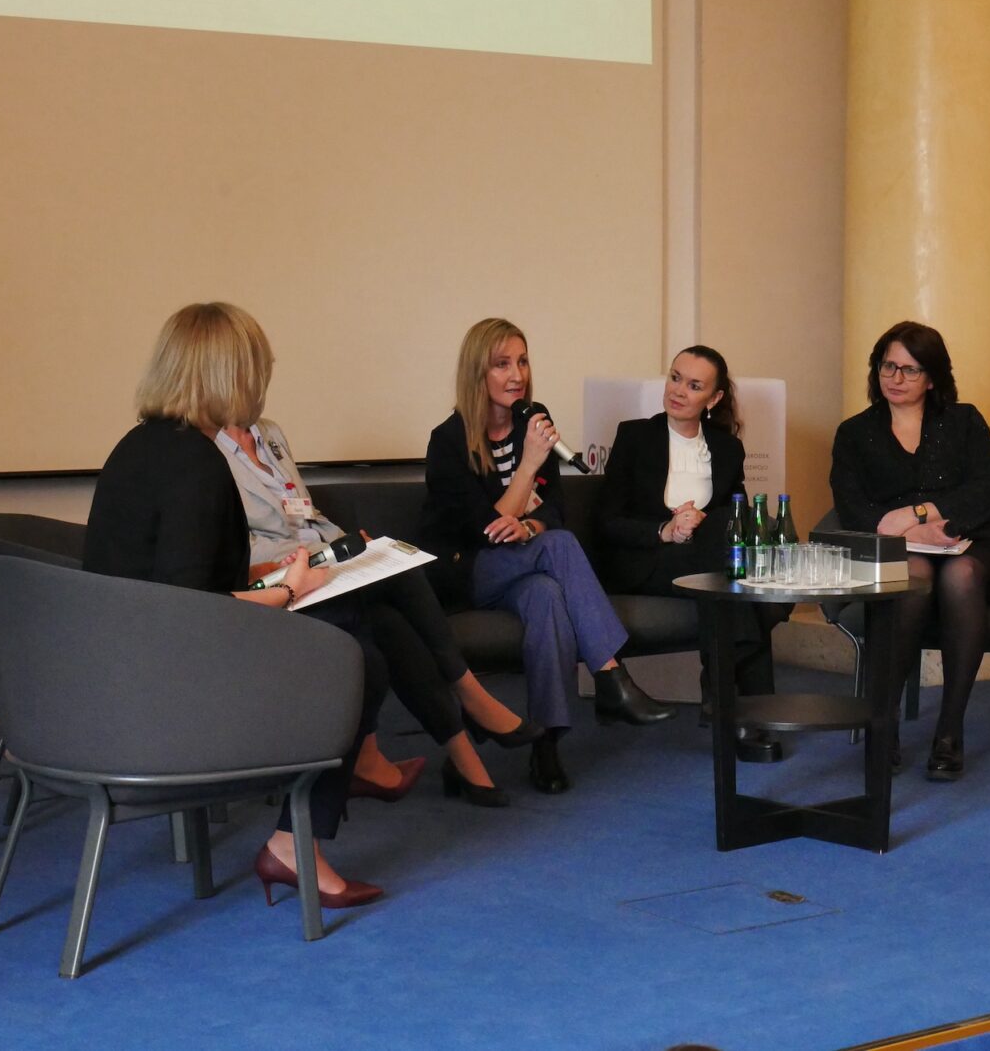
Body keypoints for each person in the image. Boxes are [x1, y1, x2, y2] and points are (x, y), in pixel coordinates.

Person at [84, 302, 385, 908]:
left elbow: (175, 580)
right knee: (356, 658)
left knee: (348, 631)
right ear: (231, 376)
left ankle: (314, 817)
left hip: (114, 678)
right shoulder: (197, 465)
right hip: (167, 698)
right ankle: (294, 843)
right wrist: (289, 591)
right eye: (258, 368)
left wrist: (275, 581)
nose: (264, 381)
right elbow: (194, 610)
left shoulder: (139, 447)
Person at [218, 417, 543, 808]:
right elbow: (233, 544)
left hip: (320, 559)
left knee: (390, 610)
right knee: (396, 589)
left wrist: (345, 542)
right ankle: (470, 701)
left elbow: (306, 514)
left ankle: (464, 750)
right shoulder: (208, 449)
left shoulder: (268, 432)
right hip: (279, 579)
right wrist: (290, 563)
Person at [424, 317, 674, 795]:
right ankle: (610, 676)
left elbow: (554, 509)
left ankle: (546, 742)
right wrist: (529, 465)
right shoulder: (449, 440)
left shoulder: (531, 421)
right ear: (477, 373)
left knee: (546, 596)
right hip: (466, 570)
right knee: (557, 547)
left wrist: (531, 526)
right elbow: (485, 530)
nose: (517, 375)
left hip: (525, 564)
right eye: (502, 364)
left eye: (522, 361)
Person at [830, 321, 990, 781]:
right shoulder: (854, 433)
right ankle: (884, 722)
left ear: (932, 377)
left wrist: (924, 517)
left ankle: (949, 730)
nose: (896, 378)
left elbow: (986, 490)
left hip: (972, 542)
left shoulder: (964, 421)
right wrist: (911, 534)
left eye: (910, 370)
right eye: (887, 366)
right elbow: (852, 507)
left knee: (961, 575)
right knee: (913, 572)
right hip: (898, 550)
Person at [597, 346, 789, 764]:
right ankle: (747, 706)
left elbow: (737, 518)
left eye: (694, 385)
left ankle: (724, 697)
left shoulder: (727, 448)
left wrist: (701, 522)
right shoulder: (635, 436)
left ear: (714, 398)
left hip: (706, 563)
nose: (679, 391)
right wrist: (665, 529)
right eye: (675, 378)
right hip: (649, 560)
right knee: (739, 579)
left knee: (724, 535)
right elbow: (608, 521)